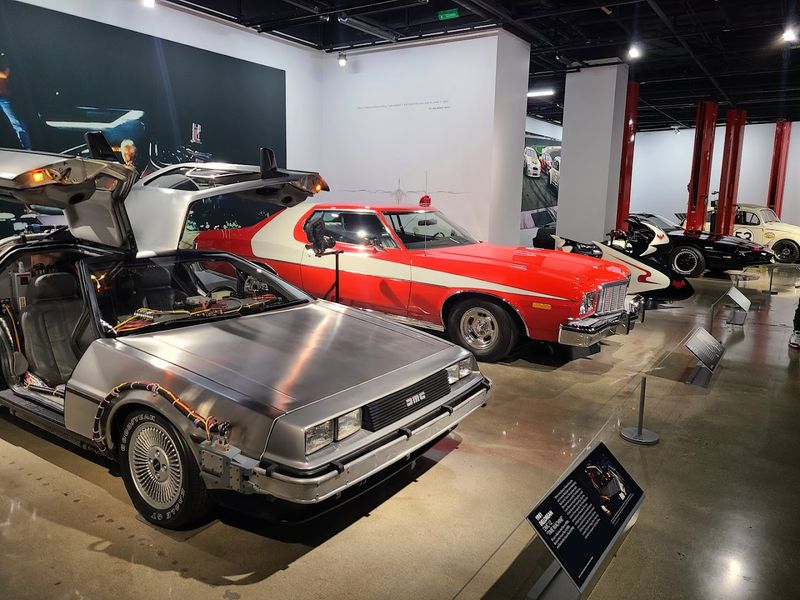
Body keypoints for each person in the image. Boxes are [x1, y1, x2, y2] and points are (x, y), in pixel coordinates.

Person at [0, 52, 31, 149]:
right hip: (3, 97)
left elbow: (5, 74)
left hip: (4, 97)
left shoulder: (3, 57)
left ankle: (27, 149)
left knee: (17, 125)